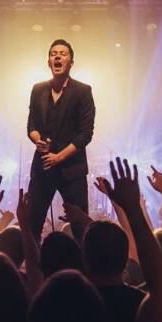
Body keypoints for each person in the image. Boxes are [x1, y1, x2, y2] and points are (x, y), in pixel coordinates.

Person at [25, 39, 96, 242]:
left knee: (81, 229)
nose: (57, 56)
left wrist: (60, 157)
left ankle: (84, 261)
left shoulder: (83, 91)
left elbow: (85, 133)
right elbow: (32, 125)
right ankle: (32, 261)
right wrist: (37, 140)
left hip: (72, 171)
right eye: (53, 53)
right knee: (32, 226)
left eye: (63, 53)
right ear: (48, 62)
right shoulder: (38, 89)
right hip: (43, 168)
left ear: (71, 62)